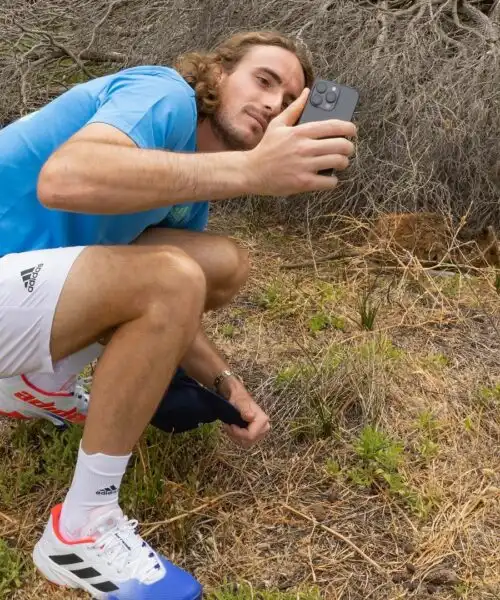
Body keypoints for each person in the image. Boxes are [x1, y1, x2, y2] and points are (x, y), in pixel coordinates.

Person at [0, 30, 356, 599]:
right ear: (216, 74)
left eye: (287, 98)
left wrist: (225, 382)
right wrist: (249, 172)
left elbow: (169, 299)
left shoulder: (187, 189)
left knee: (219, 263)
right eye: (263, 80)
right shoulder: (161, 94)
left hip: (17, 295)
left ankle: (34, 384)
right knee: (175, 272)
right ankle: (80, 529)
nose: (271, 103)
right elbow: (64, 178)